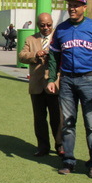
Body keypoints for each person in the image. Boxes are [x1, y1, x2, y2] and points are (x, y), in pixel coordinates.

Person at [46, 0, 92, 178]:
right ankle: (68, 161)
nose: (72, 8)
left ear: (84, 7)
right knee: (67, 122)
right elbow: (54, 56)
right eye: (70, 5)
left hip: (89, 80)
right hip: (67, 80)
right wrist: (51, 79)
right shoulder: (61, 29)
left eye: (76, 5)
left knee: (91, 124)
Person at [18, 13, 62, 157]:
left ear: (52, 24)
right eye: (42, 25)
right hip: (37, 85)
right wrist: (35, 54)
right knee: (39, 119)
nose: (46, 28)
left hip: (55, 84)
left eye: (49, 25)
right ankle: (43, 146)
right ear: (38, 25)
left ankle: (60, 145)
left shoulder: (59, 37)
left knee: (57, 118)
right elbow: (21, 56)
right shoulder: (31, 39)